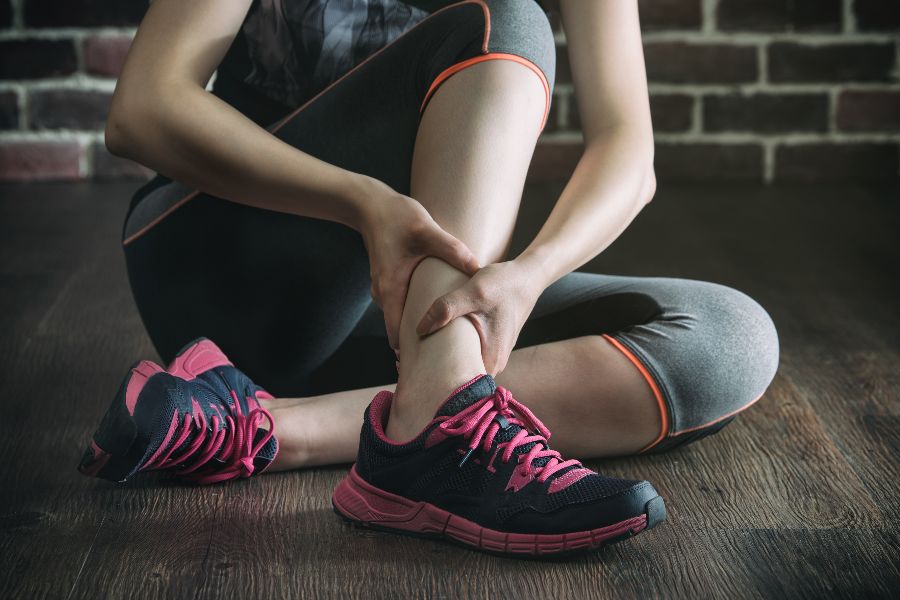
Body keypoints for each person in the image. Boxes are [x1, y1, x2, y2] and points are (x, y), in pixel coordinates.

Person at [77, 0, 779, 557]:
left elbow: (629, 151)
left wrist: (530, 275)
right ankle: (440, 424)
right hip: (230, 268)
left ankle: (278, 426)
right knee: (505, 22)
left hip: (399, 317)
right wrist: (361, 201)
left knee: (729, 338)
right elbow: (144, 109)